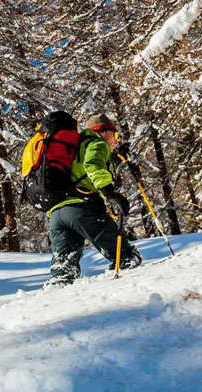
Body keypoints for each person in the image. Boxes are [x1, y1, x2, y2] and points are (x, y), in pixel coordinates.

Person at [47, 112, 142, 286]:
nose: (115, 140)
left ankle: (54, 302)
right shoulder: (96, 143)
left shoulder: (76, 147)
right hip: (82, 209)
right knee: (128, 257)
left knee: (63, 273)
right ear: (103, 131)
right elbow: (92, 165)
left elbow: (82, 168)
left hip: (57, 212)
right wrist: (109, 192)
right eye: (115, 135)